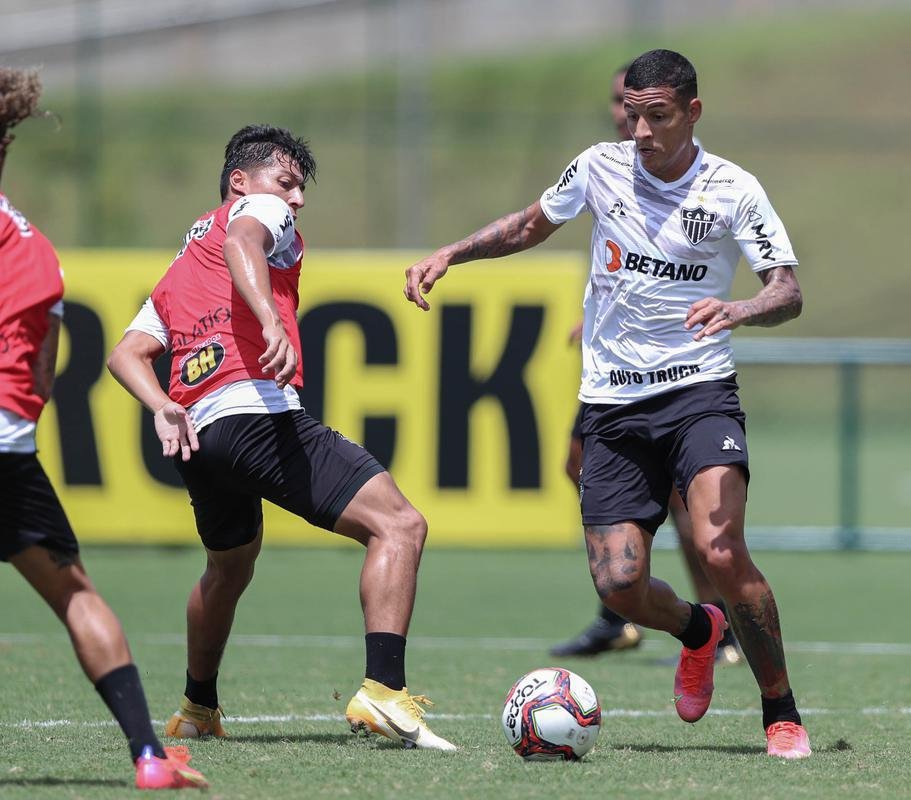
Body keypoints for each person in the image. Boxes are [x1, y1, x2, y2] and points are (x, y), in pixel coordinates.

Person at [404, 50, 810, 758]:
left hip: (700, 393)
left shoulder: (734, 188)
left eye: (658, 116)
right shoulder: (598, 167)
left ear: (692, 112)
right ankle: (699, 629)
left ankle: (781, 710)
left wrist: (741, 308)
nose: (641, 130)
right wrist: (452, 253)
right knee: (620, 584)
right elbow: (529, 225)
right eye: (633, 113)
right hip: (614, 405)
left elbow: (788, 290)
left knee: (719, 546)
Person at [106, 124, 456, 752]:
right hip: (254, 416)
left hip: (199, 438)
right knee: (400, 525)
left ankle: (196, 708)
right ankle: (384, 690)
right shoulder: (256, 216)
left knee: (227, 568)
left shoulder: (182, 264)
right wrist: (269, 317)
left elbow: (125, 354)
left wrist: (162, 406)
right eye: (286, 182)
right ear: (239, 183)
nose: (296, 199)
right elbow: (244, 240)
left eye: (299, 189)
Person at [0, 67, 208, 789]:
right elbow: (40, 377)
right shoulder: (36, 252)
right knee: (75, 595)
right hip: (7, 452)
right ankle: (149, 757)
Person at [552, 62, 741, 667]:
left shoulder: (697, 178)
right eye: (621, 106)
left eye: (641, 109)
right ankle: (623, 610)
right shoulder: (609, 167)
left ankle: (716, 622)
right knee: (578, 464)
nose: (625, 118)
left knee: (688, 507)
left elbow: (673, 266)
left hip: (676, 377)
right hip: (612, 375)